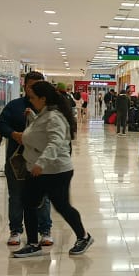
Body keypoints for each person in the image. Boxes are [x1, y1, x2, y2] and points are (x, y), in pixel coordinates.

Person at [11, 81, 93, 259]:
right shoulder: (44, 113)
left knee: (62, 206)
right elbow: (41, 133)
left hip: (55, 171)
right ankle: (33, 243)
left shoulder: (54, 116)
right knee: (29, 202)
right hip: (38, 169)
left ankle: (83, 237)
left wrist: (41, 162)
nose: (30, 100)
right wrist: (32, 117)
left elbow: (55, 141)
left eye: (32, 97)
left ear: (43, 98)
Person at [0, 71, 52, 248]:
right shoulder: (14, 106)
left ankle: (45, 230)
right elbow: (0, 125)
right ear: (24, 86)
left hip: (41, 160)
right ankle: (16, 230)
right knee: (17, 195)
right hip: (17, 160)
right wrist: (14, 134)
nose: (33, 90)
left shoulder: (49, 107)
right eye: (30, 86)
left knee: (42, 196)